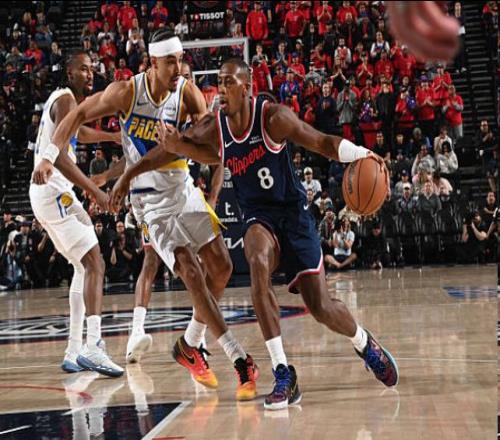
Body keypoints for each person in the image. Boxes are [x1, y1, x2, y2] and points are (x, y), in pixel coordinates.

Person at [145, 59, 398, 410]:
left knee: (321, 307)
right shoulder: (215, 124)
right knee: (257, 261)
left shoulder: (274, 118)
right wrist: (156, 156)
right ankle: (283, 372)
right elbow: (184, 144)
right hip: (258, 217)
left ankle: (364, 343)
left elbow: (322, 142)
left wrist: (365, 153)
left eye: (229, 82)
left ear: (247, 87)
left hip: (293, 215)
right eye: (219, 82)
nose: (221, 90)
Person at [41, 30, 257, 400]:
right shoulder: (127, 92)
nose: (178, 68)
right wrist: (48, 156)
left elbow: (212, 144)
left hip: (183, 189)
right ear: (152, 63)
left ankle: (190, 344)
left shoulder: (187, 92)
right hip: (148, 203)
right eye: (170, 62)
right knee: (189, 271)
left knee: (221, 268)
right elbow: (78, 114)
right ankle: (239, 358)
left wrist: (199, 164)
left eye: (180, 60)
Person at [29, 50, 124, 377]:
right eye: (83, 69)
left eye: (92, 69)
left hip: (50, 194)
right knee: (95, 262)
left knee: (84, 267)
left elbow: (79, 133)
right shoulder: (66, 99)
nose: (90, 73)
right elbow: (58, 157)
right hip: (53, 190)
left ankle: (73, 352)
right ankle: (93, 345)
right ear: (69, 73)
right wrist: (96, 191)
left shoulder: (66, 102)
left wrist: (111, 136)